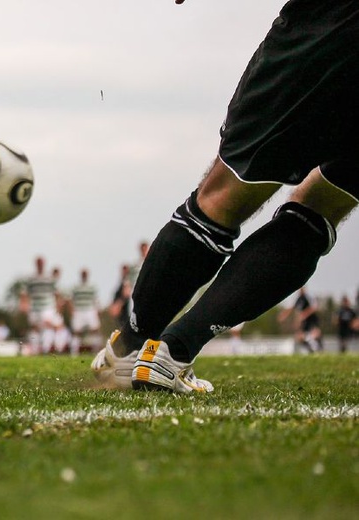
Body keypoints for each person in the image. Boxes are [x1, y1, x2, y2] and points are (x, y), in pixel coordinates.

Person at [94, 0, 359, 392]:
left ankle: (131, 347)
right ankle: (172, 353)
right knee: (322, 206)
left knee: (223, 196)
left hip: (331, 23)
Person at [18, 256, 59, 355]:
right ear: (36, 264)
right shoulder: (31, 278)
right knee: (35, 328)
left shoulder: (49, 278)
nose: (40, 265)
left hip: (47, 306)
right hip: (34, 307)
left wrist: (57, 306)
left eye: (41, 263)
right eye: (38, 263)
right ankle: (35, 350)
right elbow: (25, 293)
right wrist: (23, 304)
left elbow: (56, 292)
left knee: (47, 325)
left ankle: (46, 349)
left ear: (44, 264)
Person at [278, 287, 323, 354]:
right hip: (305, 321)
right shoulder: (298, 299)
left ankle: (317, 349)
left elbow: (314, 307)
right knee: (299, 337)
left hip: (312, 319)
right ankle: (312, 350)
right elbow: (292, 308)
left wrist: (304, 314)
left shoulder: (309, 297)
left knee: (315, 334)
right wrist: (284, 315)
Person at [69, 268, 102, 355]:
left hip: (90, 310)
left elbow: (96, 300)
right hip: (79, 310)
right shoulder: (76, 287)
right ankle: (74, 353)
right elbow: (71, 300)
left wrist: (97, 310)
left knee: (95, 330)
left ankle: (96, 351)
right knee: (76, 332)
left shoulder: (92, 287)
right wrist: (72, 311)